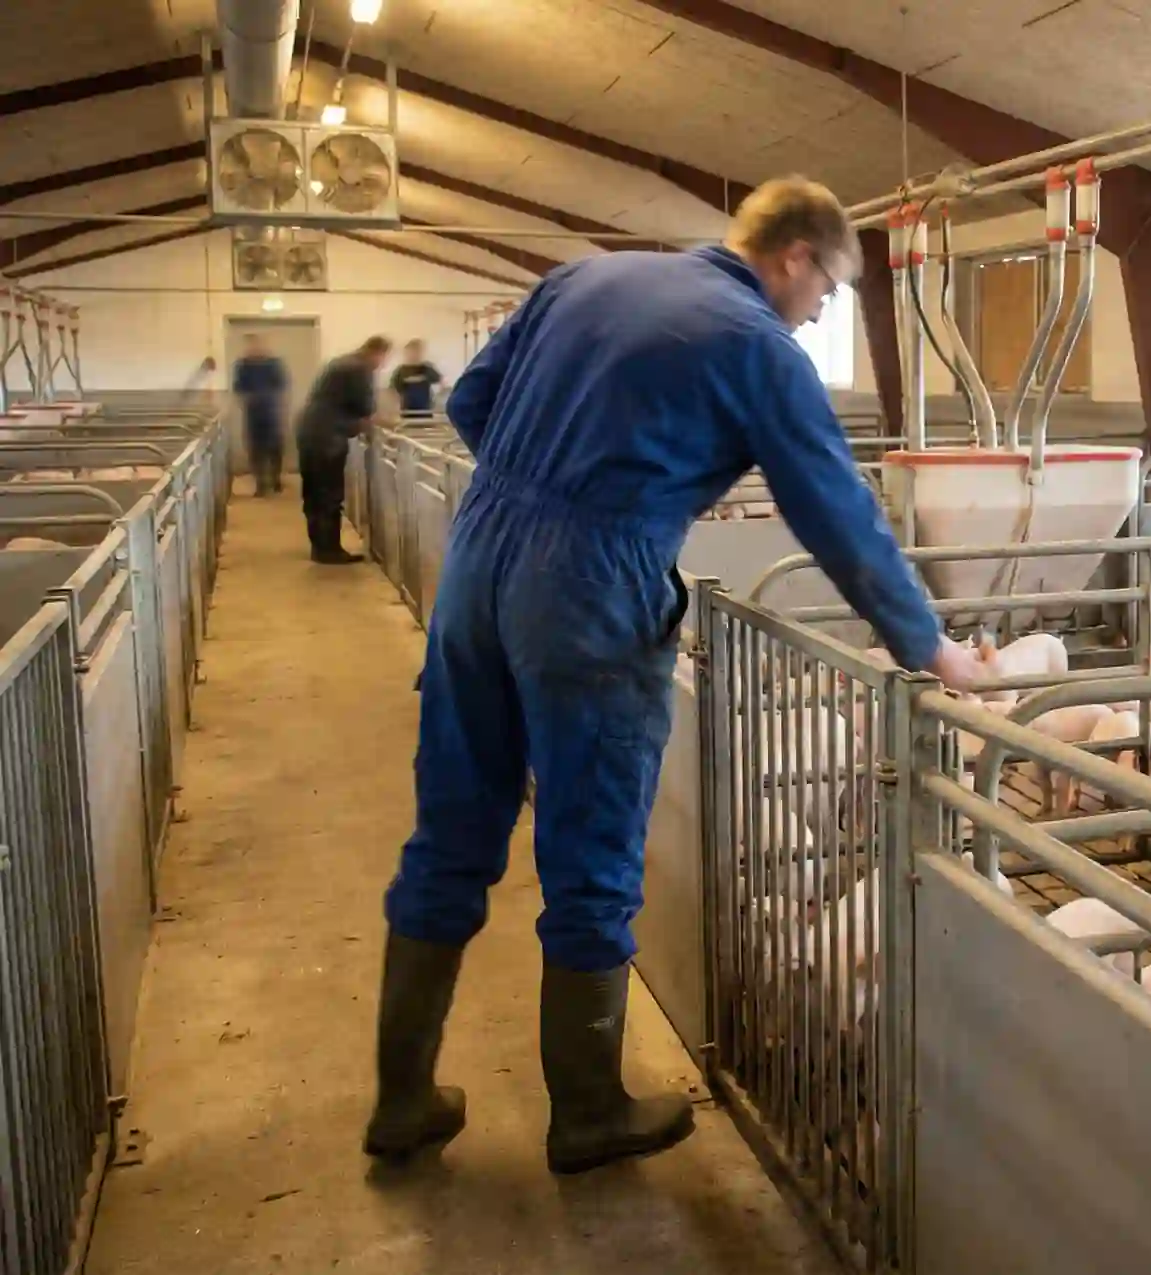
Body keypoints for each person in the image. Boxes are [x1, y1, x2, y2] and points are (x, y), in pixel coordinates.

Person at [365, 177, 982, 1175]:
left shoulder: (582, 277)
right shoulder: (758, 348)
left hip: (476, 563)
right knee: (592, 846)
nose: (817, 312)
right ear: (795, 257)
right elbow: (836, 514)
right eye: (826, 292)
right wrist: (930, 647)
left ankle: (400, 1101)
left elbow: (472, 399)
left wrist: (542, 488)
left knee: (451, 829)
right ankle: (588, 1110)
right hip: (590, 588)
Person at [295, 336, 389, 565]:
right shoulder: (360, 368)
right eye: (383, 358)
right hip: (328, 436)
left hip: (310, 430)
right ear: (377, 353)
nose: (381, 364)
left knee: (314, 493)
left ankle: (320, 546)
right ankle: (329, 550)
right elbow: (366, 406)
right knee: (329, 493)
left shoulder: (343, 363)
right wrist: (378, 420)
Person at [231, 335, 288, 496]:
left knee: (275, 449)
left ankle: (275, 480)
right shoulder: (243, 365)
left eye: (258, 344)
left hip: (272, 412)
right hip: (253, 414)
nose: (255, 348)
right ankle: (261, 485)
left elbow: (281, 386)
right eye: (252, 345)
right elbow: (238, 388)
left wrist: (277, 404)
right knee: (255, 450)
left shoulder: (274, 364)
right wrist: (247, 400)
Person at [389, 339, 444, 417]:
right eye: (412, 351)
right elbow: (392, 389)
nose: (415, 354)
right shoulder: (401, 370)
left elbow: (441, 381)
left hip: (425, 410)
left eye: (417, 351)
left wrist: (438, 400)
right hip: (407, 411)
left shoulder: (427, 368)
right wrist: (395, 405)